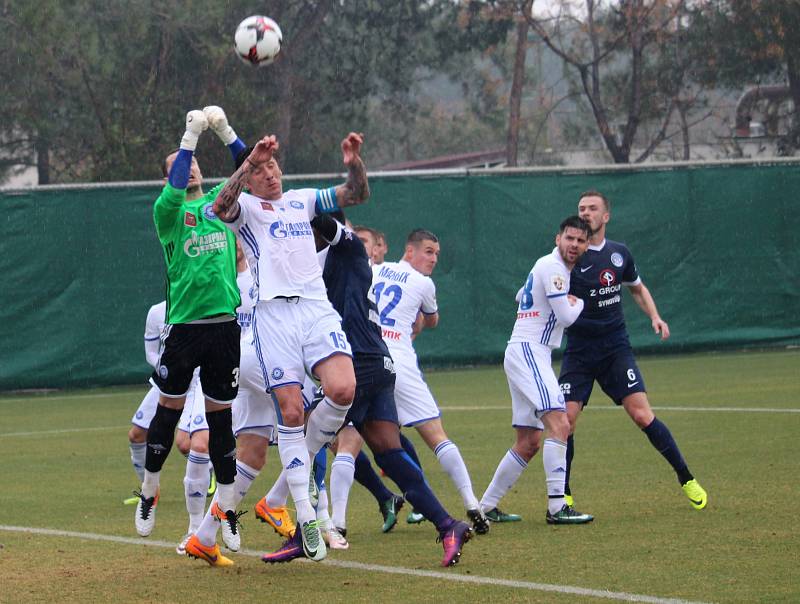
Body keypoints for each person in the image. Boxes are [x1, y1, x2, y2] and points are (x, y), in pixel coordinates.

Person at [263, 210, 473, 567]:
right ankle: (448, 524)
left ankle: (296, 524)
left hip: (358, 362)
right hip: (377, 362)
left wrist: (295, 208)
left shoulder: (346, 249)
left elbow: (322, 220)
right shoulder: (317, 264)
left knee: (310, 433)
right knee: (388, 452)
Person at [211, 130, 369, 563]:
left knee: (343, 390)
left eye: (272, 166)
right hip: (273, 317)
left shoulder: (302, 199)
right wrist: (244, 167)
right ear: (249, 178)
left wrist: (354, 160)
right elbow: (219, 207)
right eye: (261, 171)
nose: (270, 175)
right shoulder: (243, 207)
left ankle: (281, 498)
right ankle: (304, 512)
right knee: (293, 410)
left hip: (315, 308)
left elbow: (355, 193)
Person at [138, 107, 245, 569]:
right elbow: (177, 181)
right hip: (184, 328)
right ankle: (148, 490)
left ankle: (228, 512)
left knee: (222, 424)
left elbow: (251, 171)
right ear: (172, 180)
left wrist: (224, 132)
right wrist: (189, 136)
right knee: (168, 411)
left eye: (194, 163)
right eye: (182, 167)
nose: (193, 168)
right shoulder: (168, 212)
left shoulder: (221, 201)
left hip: (223, 326)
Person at [558, 191, 708, 511]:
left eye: (592, 208)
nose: (585, 213)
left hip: (615, 348)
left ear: (606, 216)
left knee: (641, 414)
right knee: (566, 422)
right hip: (579, 351)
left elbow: (637, 288)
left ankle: (686, 477)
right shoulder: (567, 257)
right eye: (581, 208)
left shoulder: (619, 254)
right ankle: (563, 494)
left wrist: (655, 316)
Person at [371, 229, 489, 534]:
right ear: (409, 251)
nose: (433, 258)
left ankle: (335, 522)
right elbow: (432, 320)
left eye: (436, 253)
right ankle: (471, 501)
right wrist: (418, 321)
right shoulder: (423, 283)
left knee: (353, 441)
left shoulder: (376, 270)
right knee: (435, 435)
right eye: (427, 251)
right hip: (399, 358)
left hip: (369, 357)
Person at [479, 216, 595, 525]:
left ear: (586, 245)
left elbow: (521, 295)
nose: (574, 245)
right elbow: (567, 317)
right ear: (558, 238)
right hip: (530, 352)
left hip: (523, 352)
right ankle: (557, 507)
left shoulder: (544, 264)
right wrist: (578, 302)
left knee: (529, 442)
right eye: (569, 238)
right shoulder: (555, 268)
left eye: (580, 241)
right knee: (561, 424)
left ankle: (485, 507)